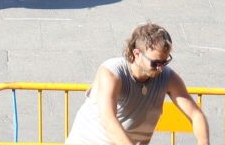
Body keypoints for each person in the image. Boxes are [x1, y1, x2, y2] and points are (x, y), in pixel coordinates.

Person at [62, 23, 211, 145]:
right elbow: (109, 120)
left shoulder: (168, 77)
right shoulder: (111, 73)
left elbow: (195, 114)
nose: (161, 68)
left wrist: (203, 141)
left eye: (165, 62)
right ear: (137, 54)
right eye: (155, 62)